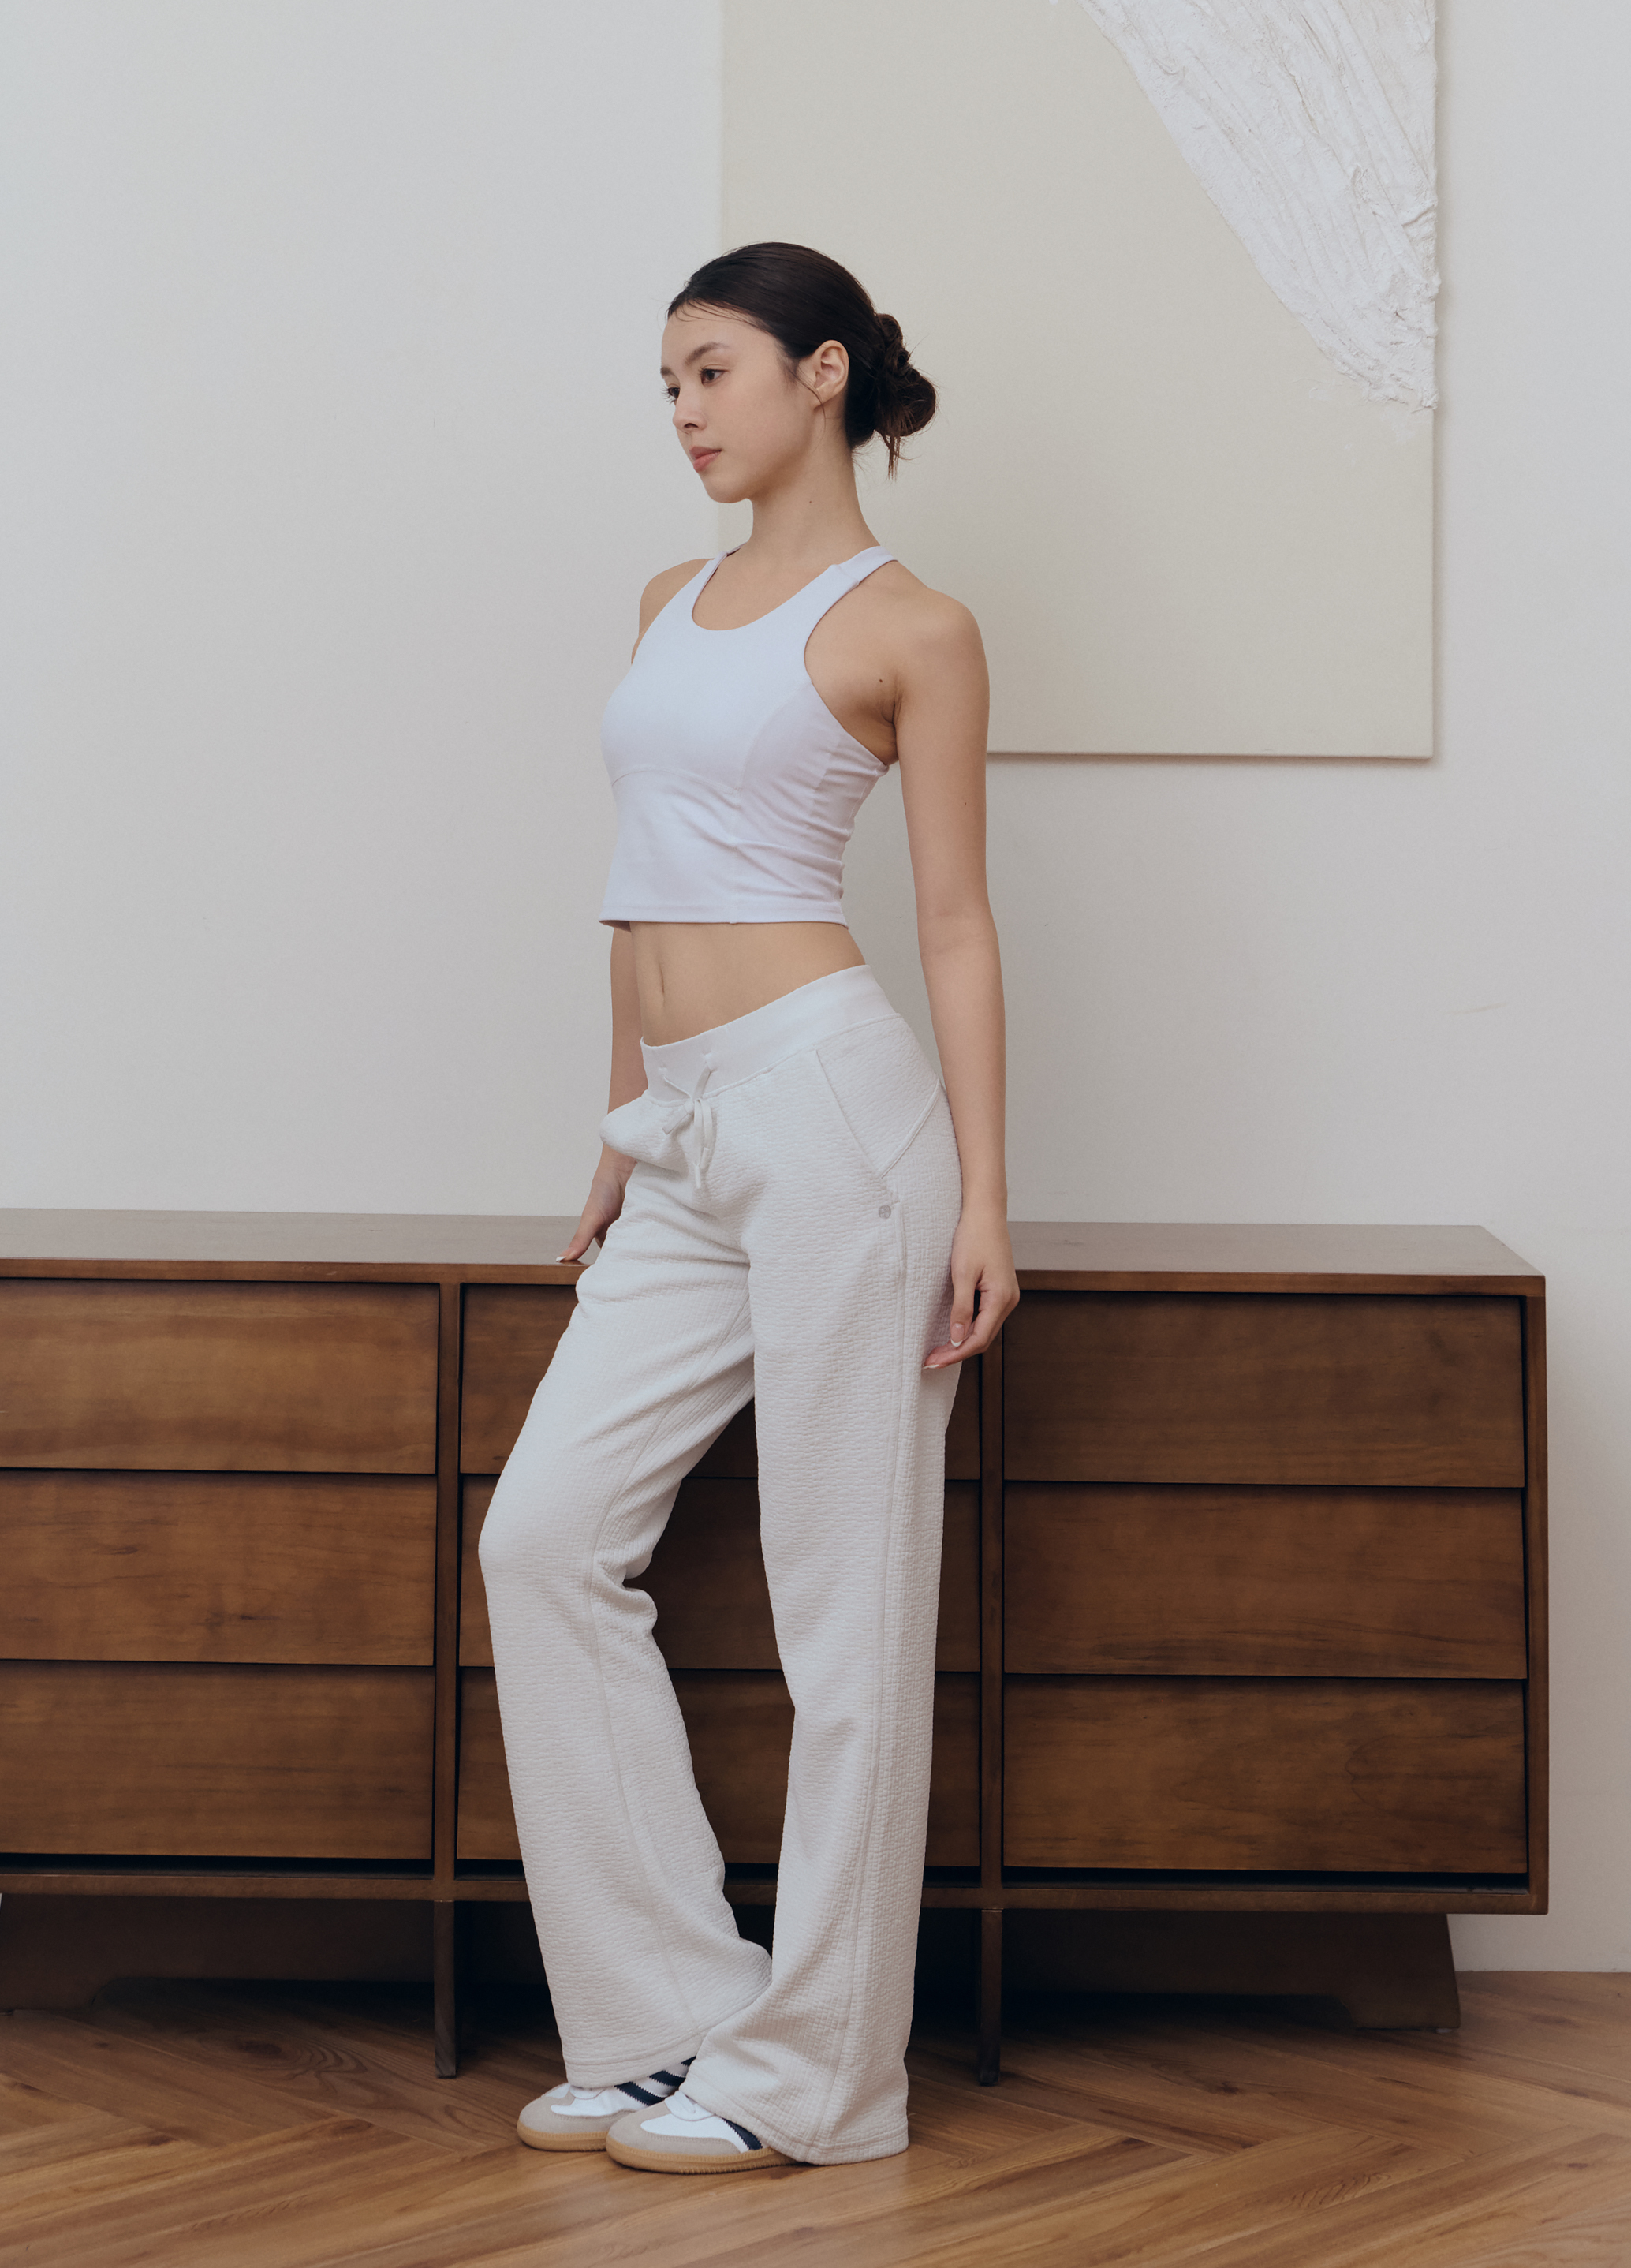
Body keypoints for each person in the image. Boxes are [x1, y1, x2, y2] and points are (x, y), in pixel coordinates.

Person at [478, 240, 1017, 2175]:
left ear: (823, 372)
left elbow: (953, 922)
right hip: (690, 1130)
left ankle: (821, 2084)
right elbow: (637, 878)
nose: (686, 410)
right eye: (669, 384)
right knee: (544, 1542)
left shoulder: (913, 627)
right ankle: (665, 2025)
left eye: (712, 370)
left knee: (843, 1612)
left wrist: (988, 1200)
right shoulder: (667, 599)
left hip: (838, 1123)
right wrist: (622, 1125)